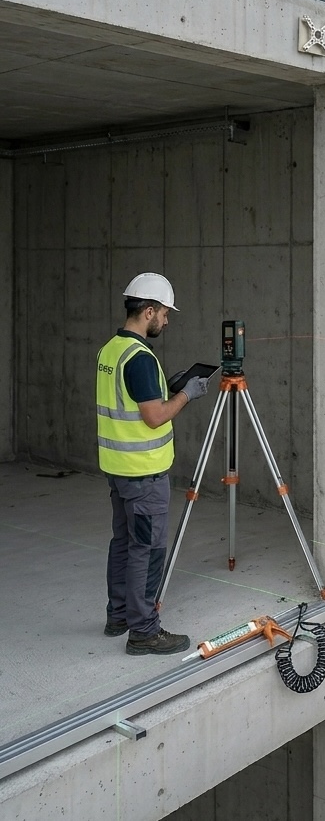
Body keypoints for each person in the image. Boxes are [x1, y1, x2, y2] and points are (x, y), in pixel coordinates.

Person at [97, 273, 209, 655]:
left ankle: (118, 616)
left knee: (124, 543)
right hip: (144, 475)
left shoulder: (111, 350)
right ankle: (144, 631)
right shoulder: (141, 358)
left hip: (118, 469)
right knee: (147, 550)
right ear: (148, 311)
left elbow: (129, 402)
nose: (166, 320)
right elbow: (154, 417)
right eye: (164, 313)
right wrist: (187, 395)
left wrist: (167, 390)